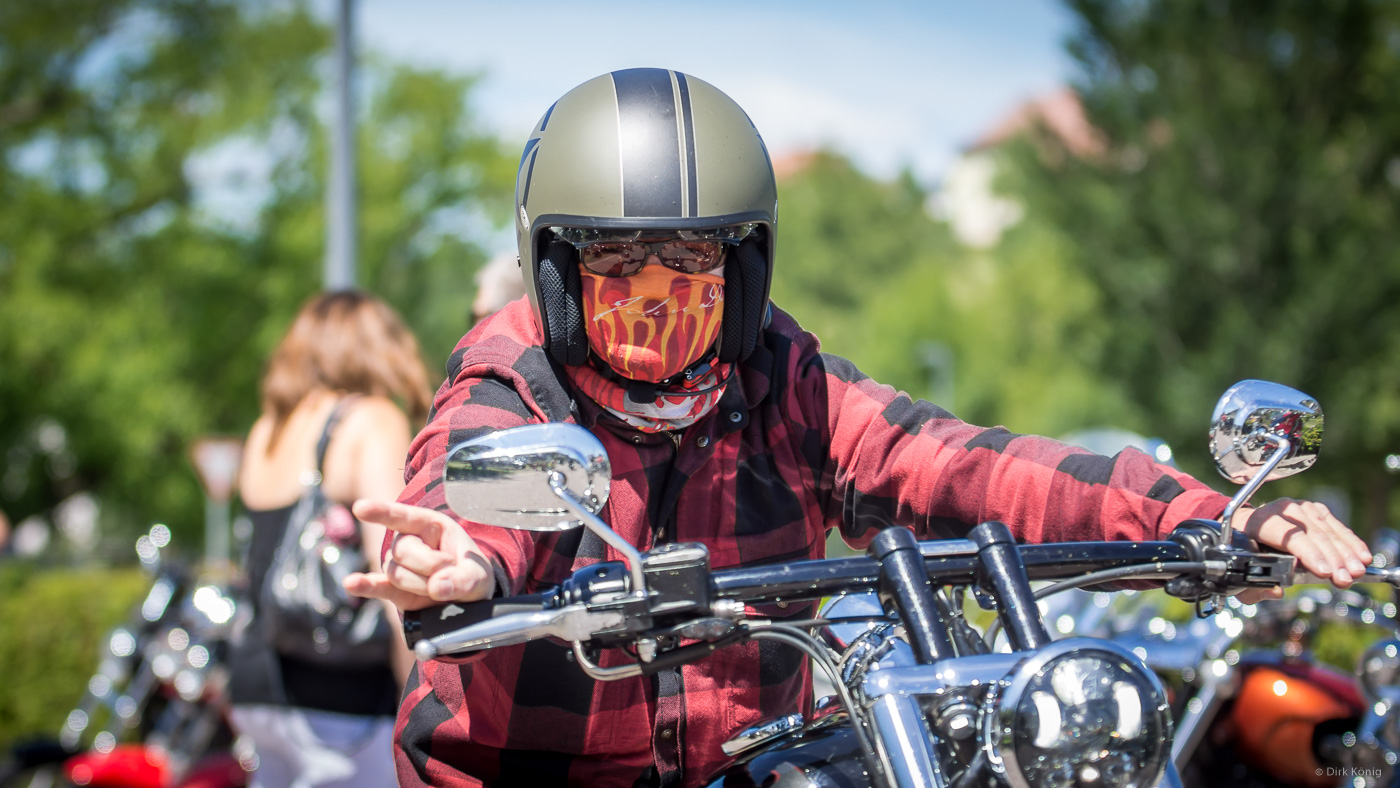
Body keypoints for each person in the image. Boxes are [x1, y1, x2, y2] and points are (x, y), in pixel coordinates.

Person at [345, 68, 1371, 788]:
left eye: (691, 260)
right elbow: (461, 479)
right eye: (616, 260)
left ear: (742, 267)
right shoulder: (517, 376)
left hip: (746, 768)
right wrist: (462, 560)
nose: (655, 288)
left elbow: (965, 465)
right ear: (559, 272)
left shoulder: (780, 381)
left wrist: (1210, 518)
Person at [230, 289, 432, 788]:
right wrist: (422, 703)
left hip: (260, 684)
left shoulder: (268, 428)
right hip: (344, 699)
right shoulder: (370, 420)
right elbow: (395, 572)